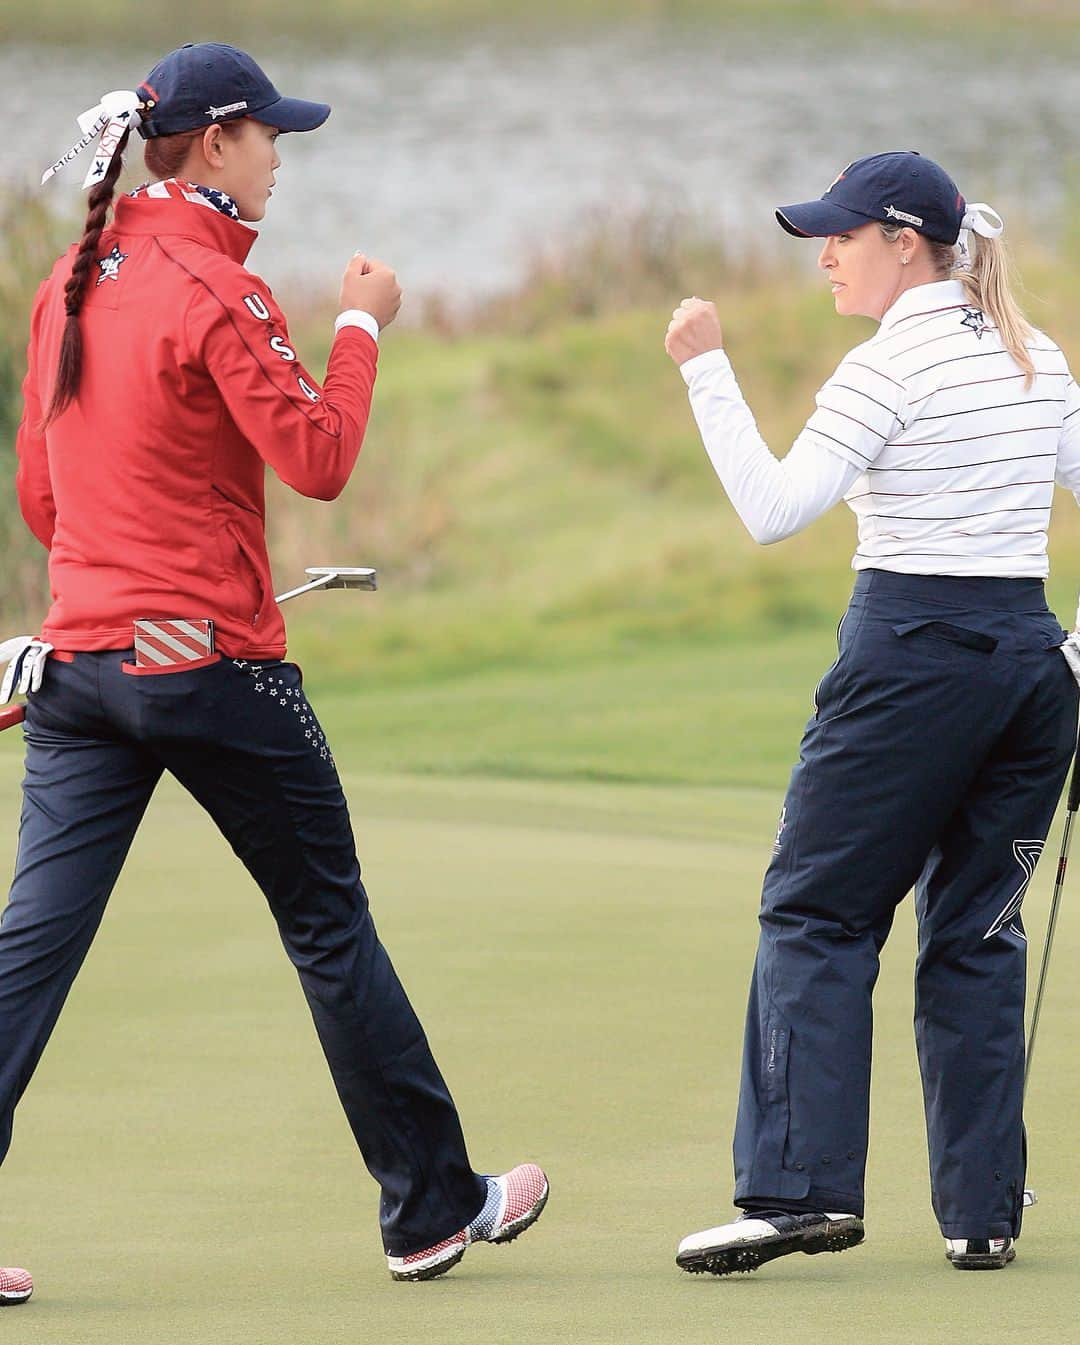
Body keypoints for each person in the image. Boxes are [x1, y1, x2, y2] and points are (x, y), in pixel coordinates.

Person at [0, 43, 547, 1303]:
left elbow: (43, 495)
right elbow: (318, 457)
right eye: (271, 137)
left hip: (80, 669)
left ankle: (433, 1202)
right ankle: (432, 1207)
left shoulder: (68, 280)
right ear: (214, 144)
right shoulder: (214, 287)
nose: (281, 156)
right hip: (211, 672)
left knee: (31, 949)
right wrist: (361, 323)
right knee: (327, 923)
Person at [664, 151, 1080, 1274]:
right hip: (1032, 672)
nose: (825, 259)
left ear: (907, 243)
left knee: (816, 914)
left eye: (842, 238)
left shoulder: (883, 368)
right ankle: (983, 1213)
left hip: (909, 663)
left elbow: (772, 508)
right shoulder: (1034, 357)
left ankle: (801, 1195)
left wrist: (708, 372)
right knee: (978, 935)